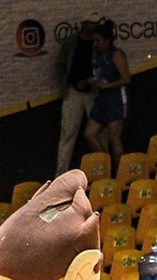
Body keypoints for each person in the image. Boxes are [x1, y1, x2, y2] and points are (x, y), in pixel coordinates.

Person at [55, 12, 100, 176]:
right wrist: (64, 87)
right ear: (84, 23)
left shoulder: (98, 42)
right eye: (91, 23)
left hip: (94, 93)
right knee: (68, 134)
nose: (94, 26)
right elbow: (60, 64)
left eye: (96, 23)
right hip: (73, 91)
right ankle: (60, 175)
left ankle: (103, 171)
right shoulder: (71, 42)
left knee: (99, 134)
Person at [83, 21, 130, 174]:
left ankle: (121, 173)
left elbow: (126, 79)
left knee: (114, 138)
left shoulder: (116, 54)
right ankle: (106, 165)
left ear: (107, 40)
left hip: (115, 99)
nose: (95, 44)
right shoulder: (96, 55)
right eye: (94, 41)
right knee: (89, 134)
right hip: (101, 99)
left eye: (98, 40)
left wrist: (106, 86)